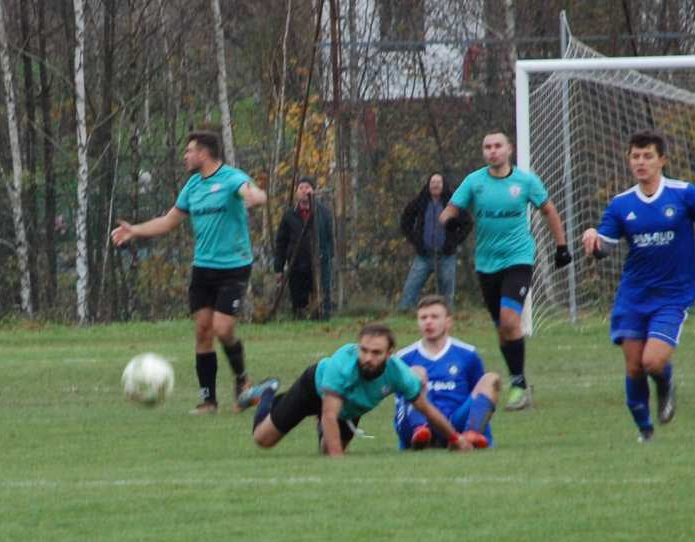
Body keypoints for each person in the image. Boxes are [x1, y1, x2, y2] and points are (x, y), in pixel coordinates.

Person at [581, 129, 695, 442]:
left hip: (672, 296)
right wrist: (593, 243)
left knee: (652, 361)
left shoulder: (684, 194)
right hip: (633, 297)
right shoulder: (621, 204)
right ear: (629, 160)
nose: (641, 162)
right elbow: (605, 249)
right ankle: (645, 431)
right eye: (635, 156)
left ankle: (665, 384)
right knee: (634, 367)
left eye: (648, 156)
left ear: (662, 159)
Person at [111, 131, 267, 414]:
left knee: (223, 328)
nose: (185, 156)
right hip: (203, 268)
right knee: (203, 331)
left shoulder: (232, 177)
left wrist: (256, 196)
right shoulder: (193, 186)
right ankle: (208, 401)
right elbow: (168, 221)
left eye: (189, 151)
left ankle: (243, 382)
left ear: (204, 154)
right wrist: (135, 230)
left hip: (233, 266)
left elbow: (252, 192)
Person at [439, 131, 572, 411]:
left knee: (511, 321)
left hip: (519, 258)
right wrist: (450, 223)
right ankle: (517, 380)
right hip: (486, 263)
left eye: (497, 146)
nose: (492, 151)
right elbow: (449, 211)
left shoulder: (525, 181)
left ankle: (519, 386)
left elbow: (548, 210)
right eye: (487, 147)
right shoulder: (475, 182)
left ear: (509, 149)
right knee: (502, 329)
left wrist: (561, 246)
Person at [236, 323, 480, 457]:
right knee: (263, 440)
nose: (368, 357)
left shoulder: (398, 372)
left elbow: (427, 409)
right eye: (364, 350)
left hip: (348, 408)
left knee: (326, 450)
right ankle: (267, 392)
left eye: (376, 353)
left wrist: (455, 439)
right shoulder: (343, 365)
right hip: (314, 389)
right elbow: (330, 414)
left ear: (390, 353)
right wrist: (338, 465)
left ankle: (318, 425)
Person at [394, 295, 500, 449]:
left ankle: (471, 434)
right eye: (423, 318)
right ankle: (421, 433)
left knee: (492, 379)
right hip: (420, 422)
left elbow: (480, 395)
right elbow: (401, 403)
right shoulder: (404, 357)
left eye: (434, 317)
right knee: (417, 373)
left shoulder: (467, 354)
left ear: (448, 322)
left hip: (456, 422)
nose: (428, 321)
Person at [398, 172, 472, 311]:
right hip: (424, 255)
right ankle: (404, 313)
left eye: (438, 182)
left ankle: (446, 315)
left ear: (443, 185)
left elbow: (467, 223)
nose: (435, 185)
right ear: (428, 185)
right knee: (411, 288)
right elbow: (405, 221)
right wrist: (416, 241)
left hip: (446, 255)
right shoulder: (420, 202)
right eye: (433, 182)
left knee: (447, 292)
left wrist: (454, 242)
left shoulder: (453, 204)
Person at [273, 177, 334, 318]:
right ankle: (299, 321)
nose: (304, 191)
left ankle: (322, 320)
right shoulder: (289, 215)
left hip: (319, 263)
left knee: (321, 299)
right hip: (297, 265)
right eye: (301, 188)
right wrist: (278, 268)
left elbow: (330, 238)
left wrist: (328, 256)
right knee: (299, 302)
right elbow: (281, 243)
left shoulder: (324, 212)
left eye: (307, 187)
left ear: (313, 190)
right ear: (296, 192)